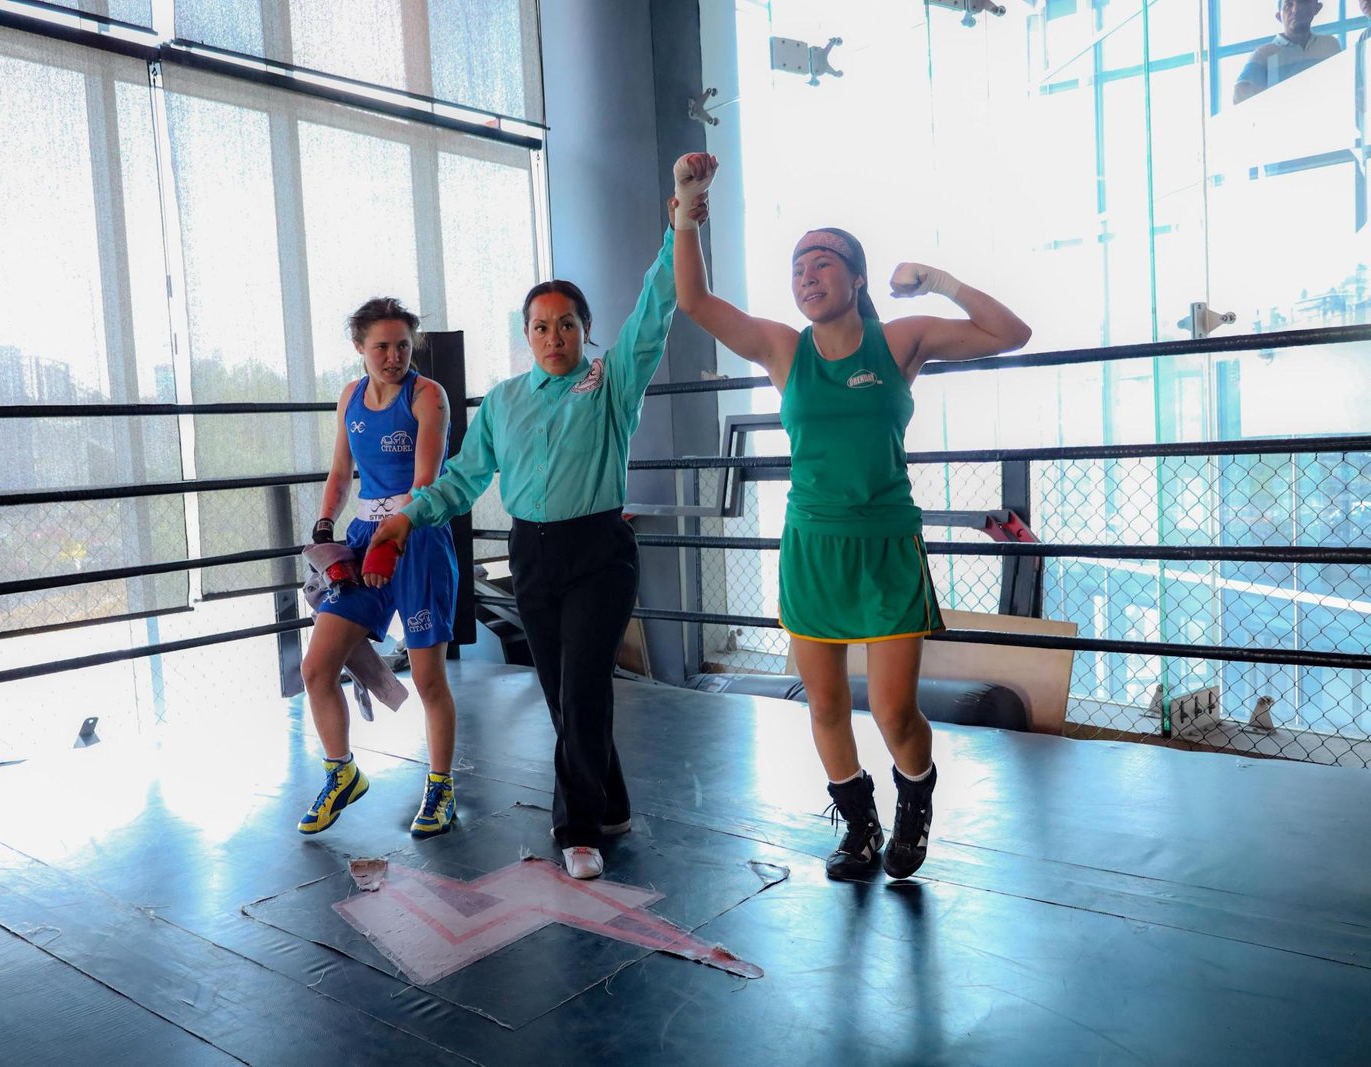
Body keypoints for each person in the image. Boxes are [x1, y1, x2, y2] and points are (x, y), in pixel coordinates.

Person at [669, 152, 1032, 880]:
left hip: (886, 546)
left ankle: (915, 802)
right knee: (826, 705)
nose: (807, 276)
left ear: (857, 278)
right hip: (812, 547)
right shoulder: (783, 348)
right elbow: (697, 302)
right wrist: (685, 210)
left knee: (895, 712)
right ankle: (861, 827)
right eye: (798, 268)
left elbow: (1010, 332)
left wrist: (938, 280)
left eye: (823, 263)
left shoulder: (899, 340)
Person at [368, 199, 708, 880]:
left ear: (586, 330)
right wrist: (407, 517)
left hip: (599, 555)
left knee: (581, 689)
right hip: (532, 555)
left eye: (567, 325)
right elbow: (464, 478)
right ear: (526, 334)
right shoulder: (503, 401)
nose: (555, 337)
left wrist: (680, 227)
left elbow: (654, 311)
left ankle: (577, 829)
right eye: (542, 327)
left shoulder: (610, 383)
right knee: (561, 693)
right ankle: (611, 804)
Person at [296, 298, 460, 840]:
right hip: (365, 536)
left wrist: (393, 542)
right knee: (317, 668)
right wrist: (326, 521)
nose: (394, 356)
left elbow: (425, 481)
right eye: (382, 347)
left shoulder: (427, 396)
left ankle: (441, 788)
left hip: (417, 537)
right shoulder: (350, 397)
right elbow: (341, 470)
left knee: (429, 677)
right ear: (359, 348)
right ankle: (342, 773)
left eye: (403, 346)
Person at [1234, 0, 1341, 104]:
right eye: (1288, 5)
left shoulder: (1330, 45)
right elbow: (1241, 99)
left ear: (1317, 8)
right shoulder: (1263, 56)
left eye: (1303, 1)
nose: (1296, 9)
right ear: (1279, 17)